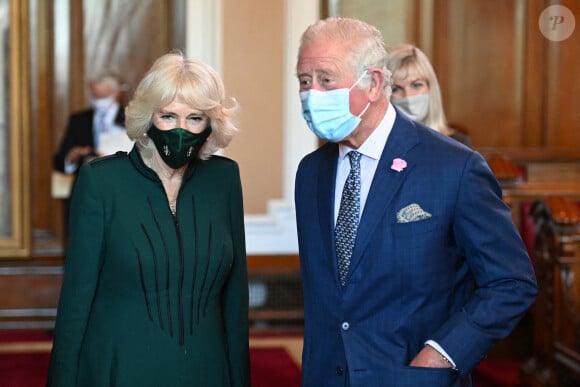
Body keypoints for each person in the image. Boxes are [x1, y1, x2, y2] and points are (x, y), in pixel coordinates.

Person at [294, 17, 537, 387]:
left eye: (326, 80)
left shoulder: (455, 166)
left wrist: (442, 354)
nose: (312, 94)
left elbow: (511, 282)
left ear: (374, 83)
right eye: (304, 81)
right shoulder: (311, 173)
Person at [47, 52, 250, 386]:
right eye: (168, 116)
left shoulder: (224, 179)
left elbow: (235, 302)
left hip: (207, 371)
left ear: (211, 123)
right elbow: (75, 302)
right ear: (148, 116)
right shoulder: (102, 181)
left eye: (195, 118)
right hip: (121, 369)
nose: (181, 130)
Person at [387, 43, 471, 147]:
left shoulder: (457, 145)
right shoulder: (378, 144)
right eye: (396, 89)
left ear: (430, 88)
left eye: (416, 85)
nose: (408, 96)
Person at [53, 74, 129, 174]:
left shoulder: (130, 119)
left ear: (117, 93)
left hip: (120, 181)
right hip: (86, 183)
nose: (99, 101)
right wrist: (72, 158)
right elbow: (59, 162)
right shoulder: (79, 120)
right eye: (95, 96)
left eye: (103, 97)